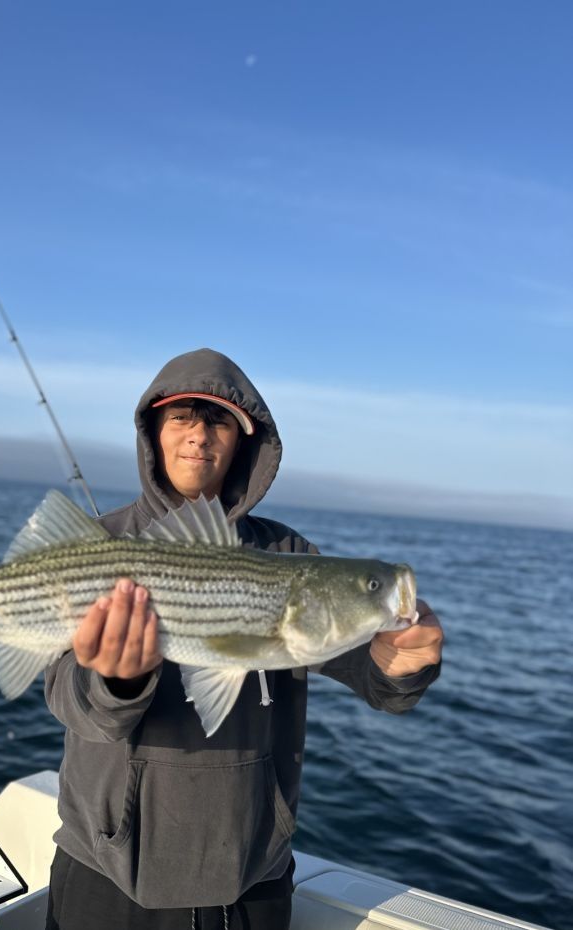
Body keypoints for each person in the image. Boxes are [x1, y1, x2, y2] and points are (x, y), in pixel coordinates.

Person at [44, 348, 443, 930]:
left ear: (244, 443)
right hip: (107, 870)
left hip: (252, 878)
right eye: (181, 416)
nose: (198, 435)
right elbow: (67, 701)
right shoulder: (95, 545)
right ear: (153, 431)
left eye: (219, 421)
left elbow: (373, 678)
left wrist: (399, 668)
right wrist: (116, 681)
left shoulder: (289, 555)